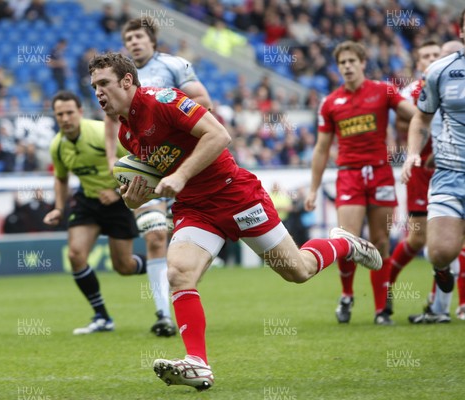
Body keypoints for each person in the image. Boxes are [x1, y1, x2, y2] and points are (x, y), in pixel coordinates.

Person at [89, 52, 382, 391]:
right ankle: (198, 363)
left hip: (236, 195)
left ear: (127, 81)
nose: (98, 92)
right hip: (196, 209)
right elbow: (154, 183)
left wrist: (181, 175)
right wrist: (134, 198)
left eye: (104, 83)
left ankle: (344, 242)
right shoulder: (127, 135)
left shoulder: (164, 100)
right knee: (179, 272)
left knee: (298, 271)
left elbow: (219, 136)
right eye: (94, 86)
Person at [104, 17, 213, 337]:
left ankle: (185, 292)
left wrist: (163, 118)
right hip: (144, 162)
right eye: (128, 38)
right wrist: (113, 159)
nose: (134, 42)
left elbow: (205, 102)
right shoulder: (117, 78)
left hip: (180, 160)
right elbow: (111, 121)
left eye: (139, 36)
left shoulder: (174, 66)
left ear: (152, 40)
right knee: (153, 235)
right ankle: (164, 315)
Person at [305, 41, 417, 325]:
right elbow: (320, 148)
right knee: (347, 240)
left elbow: (416, 116)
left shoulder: (384, 91)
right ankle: (347, 295)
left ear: (363, 62)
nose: (347, 66)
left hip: (379, 173)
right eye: (342, 62)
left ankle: (381, 310)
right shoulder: (330, 102)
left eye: (352, 60)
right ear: (338, 66)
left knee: (380, 241)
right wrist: (313, 188)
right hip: (349, 175)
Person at [43, 91, 148, 335]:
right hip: (88, 202)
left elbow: (138, 162)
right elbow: (60, 178)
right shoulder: (57, 146)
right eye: (60, 114)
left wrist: (116, 191)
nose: (65, 118)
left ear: (80, 112)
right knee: (75, 254)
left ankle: (159, 267)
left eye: (70, 112)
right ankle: (102, 317)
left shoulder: (101, 134)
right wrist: (59, 208)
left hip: (118, 202)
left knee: (124, 267)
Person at [390, 40, 464, 323]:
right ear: (419, 62)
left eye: (438, 54)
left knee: (454, 243)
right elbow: (407, 123)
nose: (434, 58)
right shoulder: (414, 90)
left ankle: (445, 307)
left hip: (443, 164)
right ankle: (388, 283)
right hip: (426, 170)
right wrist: (415, 154)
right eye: (428, 55)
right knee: (426, 240)